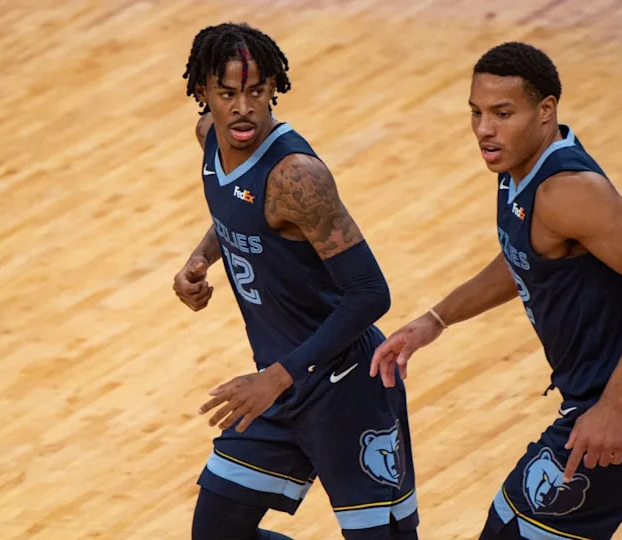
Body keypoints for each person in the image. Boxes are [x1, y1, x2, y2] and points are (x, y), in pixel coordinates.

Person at [370, 42, 622, 540]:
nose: (485, 129)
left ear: (545, 111)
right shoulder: (521, 174)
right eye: (477, 113)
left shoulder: (567, 190)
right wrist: (435, 320)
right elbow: (523, 255)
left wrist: (614, 407)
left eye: (502, 113)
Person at [174, 23, 418, 540]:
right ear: (202, 94)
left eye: (257, 91)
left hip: (347, 388)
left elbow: (371, 293)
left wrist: (277, 377)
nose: (243, 107)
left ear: (274, 89)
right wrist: (199, 260)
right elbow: (237, 212)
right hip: (280, 386)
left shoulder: (297, 177)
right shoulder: (210, 141)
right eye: (228, 94)